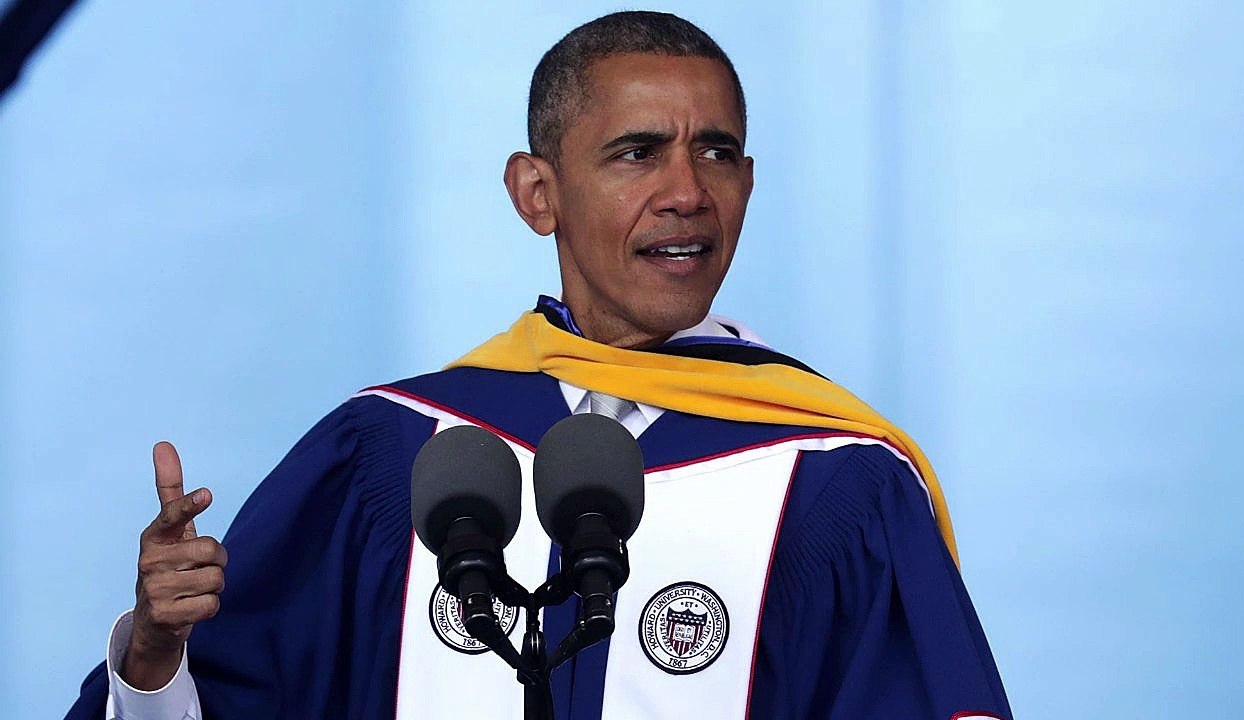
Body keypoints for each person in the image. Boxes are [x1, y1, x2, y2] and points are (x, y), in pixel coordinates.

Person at [68, 11, 1012, 720]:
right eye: (637, 153)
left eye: (716, 153)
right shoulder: (393, 454)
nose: (686, 193)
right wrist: (151, 657)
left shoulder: (836, 481)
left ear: (748, 184)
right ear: (536, 194)